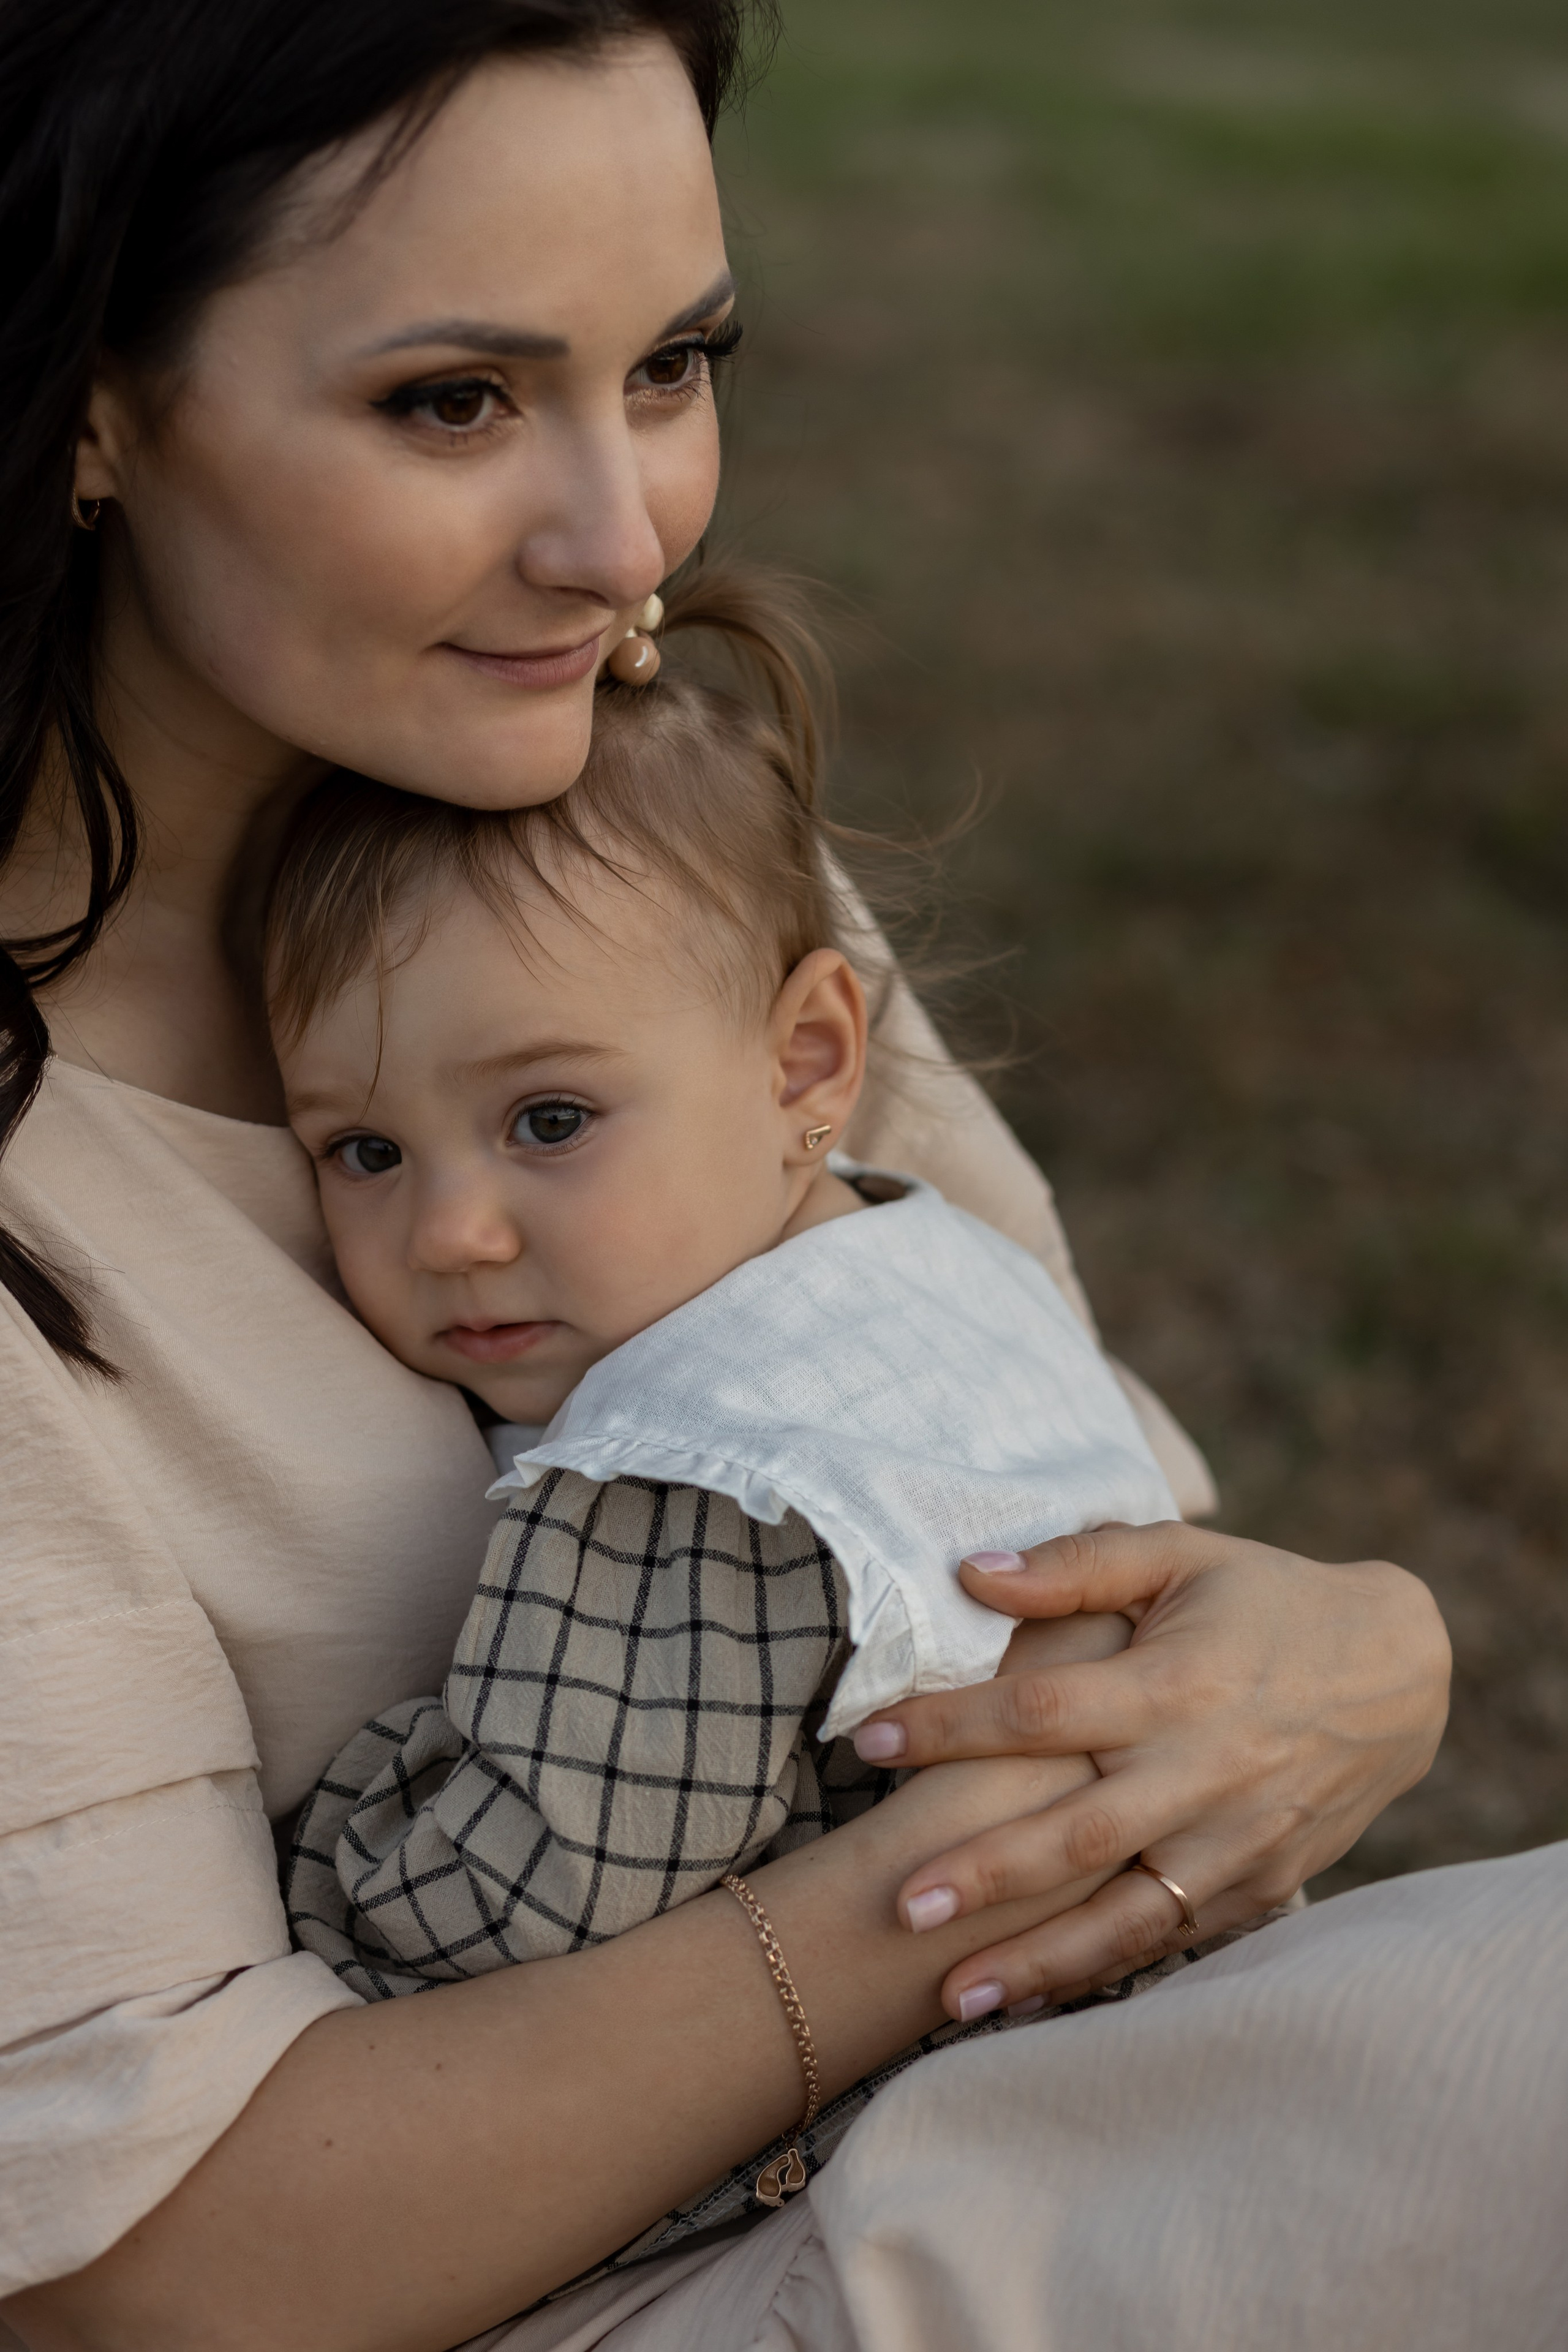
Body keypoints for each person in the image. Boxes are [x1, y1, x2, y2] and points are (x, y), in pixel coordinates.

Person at [0, 4, 1449, 2346]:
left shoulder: (604, 864)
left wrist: (1375, 1643)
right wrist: (976, 1877)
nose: (622, 530)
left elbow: (1092, 1547)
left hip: (996, 2112)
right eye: (453, 399)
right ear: (88, 395)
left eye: (673, 367)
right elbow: (142, 2275)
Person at [268, 586, 1182, 2265]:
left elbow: (521, 1906)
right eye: (362, 1150)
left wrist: (327, 1831)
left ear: (807, 1059)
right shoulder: (928, 1264)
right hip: (1132, 2022)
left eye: (549, 1118)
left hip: (876, 2158)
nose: (450, 1229)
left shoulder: (687, 1476)